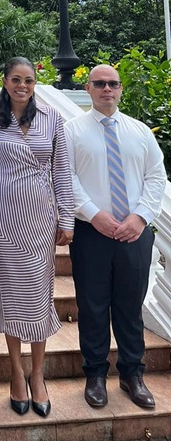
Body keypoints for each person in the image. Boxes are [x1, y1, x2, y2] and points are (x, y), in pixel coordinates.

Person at [0, 57, 74, 418]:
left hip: (41, 216)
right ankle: (16, 371)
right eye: (16, 79)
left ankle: (37, 373)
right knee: (11, 294)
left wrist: (67, 217)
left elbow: (62, 170)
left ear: (34, 83)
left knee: (39, 294)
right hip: (3, 215)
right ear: (4, 81)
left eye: (28, 80)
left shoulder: (51, 117)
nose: (22, 86)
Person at [65, 64, 166, 410]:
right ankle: (95, 374)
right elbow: (64, 177)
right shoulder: (71, 131)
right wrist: (94, 214)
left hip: (134, 234)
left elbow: (156, 177)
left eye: (113, 84)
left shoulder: (140, 132)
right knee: (92, 307)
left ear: (120, 89)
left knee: (129, 307)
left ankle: (132, 374)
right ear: (88, 89)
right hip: (91, 233)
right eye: (99, 84)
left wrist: (139, 217)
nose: (107, 89)